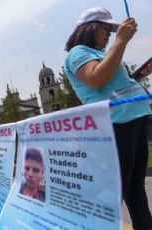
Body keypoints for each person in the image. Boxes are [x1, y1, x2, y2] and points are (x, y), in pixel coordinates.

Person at [64, 7, 152, 229]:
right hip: (116, 125)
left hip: (135, 118)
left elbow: (112, 80)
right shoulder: (78, 52)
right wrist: (121, 40)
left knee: (135, 186)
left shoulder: (101, 53)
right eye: (106, 29)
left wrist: (138, 76)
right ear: (90, 27)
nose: (109, 35)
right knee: (116, 191)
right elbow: (96, 78)